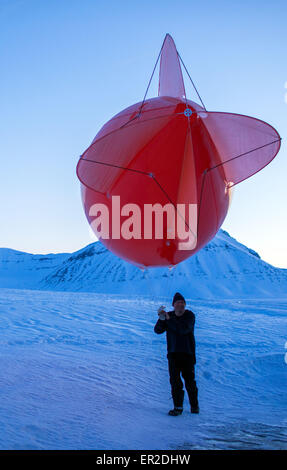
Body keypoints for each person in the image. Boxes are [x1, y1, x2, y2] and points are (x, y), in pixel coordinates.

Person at [154, 292, 199, 416]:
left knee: (190, 381)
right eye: (178, 303)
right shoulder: (170, 316)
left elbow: (183, 329)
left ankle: (194, 406)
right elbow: (157, 331)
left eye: (182, 303)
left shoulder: (189, 316)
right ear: (173, 305)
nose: (180, 305)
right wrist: (161, 319)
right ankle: (178, 407)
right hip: (173, 354)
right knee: (175, 382)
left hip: (187, 353)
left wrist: (168, 319)